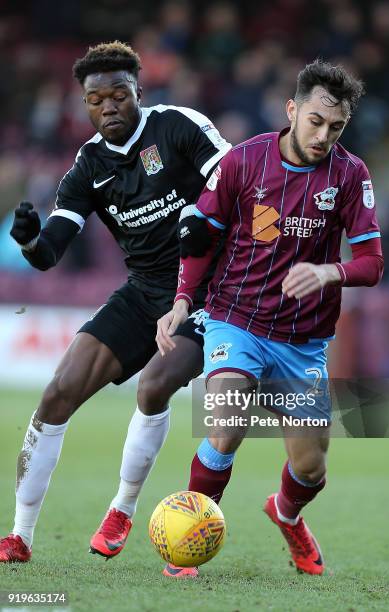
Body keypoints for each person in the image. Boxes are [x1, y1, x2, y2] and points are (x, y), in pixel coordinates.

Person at [0, 41, 231, 563]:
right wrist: (31, 241)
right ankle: (19, 535)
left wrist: (200, 215)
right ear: (83, 104)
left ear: (139, 94)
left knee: (153, 386)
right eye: (95, 99)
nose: (108, 107)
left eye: (119, 96)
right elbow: (51, 251)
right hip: (145, 288)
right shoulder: (87, 165)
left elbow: (233, 175)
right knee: (57, 392)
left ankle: (123, 507)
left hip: (209, 289)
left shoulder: (178, 125)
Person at [156, 59, 384, 578]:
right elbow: (203, 234)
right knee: (226, 425)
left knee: (310, 467)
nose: (324, 135)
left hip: (302, 342)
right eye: (315, 121)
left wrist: (329, 272)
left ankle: (285, 514)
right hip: (236, 318)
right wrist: (183, 299)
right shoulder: (244, 160)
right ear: (292, 109)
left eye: (336, 127)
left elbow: (372, 264)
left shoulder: (350, 175)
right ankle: (186, 544)